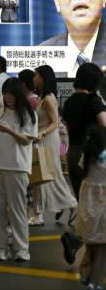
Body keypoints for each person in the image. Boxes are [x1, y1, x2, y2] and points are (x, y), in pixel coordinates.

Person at [60, 62, 106, 265]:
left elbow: (69, 130)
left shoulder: (69, 102)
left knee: (85, 202)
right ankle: (83, 243)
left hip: (74, 153)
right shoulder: (94, 100)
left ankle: (79, 241)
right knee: (98, 203)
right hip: (94, 157)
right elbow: (104, 125)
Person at [0, 77, 38, 262]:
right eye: (5, 94)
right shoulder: (1, 112)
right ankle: (1, 248)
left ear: (18, 94)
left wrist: (5, 129)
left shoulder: (29, 114)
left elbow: (26, 140)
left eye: (11, 94)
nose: (8, 98)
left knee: (17, 209)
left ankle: (21, 249)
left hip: (17, 166)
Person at [30, 65, 78, 227]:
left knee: (45, 177)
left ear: (43, 78)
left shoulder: (48, 99)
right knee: (45, 177)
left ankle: (39, 214)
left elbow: (54, 123)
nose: (33, 78)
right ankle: (69, 204)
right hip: (43, 139)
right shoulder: (43, 97)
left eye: (36, 75)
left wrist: (41, 134)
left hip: (47, 140)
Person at [75, 124, 106, 290]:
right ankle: (96, 280)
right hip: (103, 209)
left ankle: (86, 272)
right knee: (102, 247)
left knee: (91, 243)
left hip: (88, 207)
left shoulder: (86, 157)